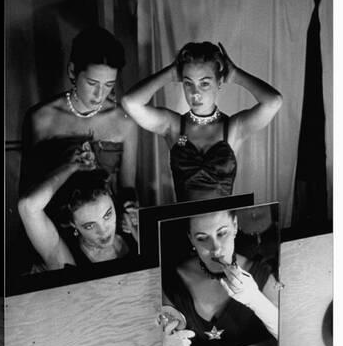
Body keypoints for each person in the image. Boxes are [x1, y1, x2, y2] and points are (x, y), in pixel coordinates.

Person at [122, 42, 282, 201]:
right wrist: (171, 74)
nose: (195, 93)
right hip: (184, 223)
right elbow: (130, 102)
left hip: (222, 225)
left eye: (204, 84)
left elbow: (273, 101)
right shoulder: (174, 126)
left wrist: (235, 75)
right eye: (188, 83)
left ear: (219, 83)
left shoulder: (233, 127)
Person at [20, 26, 139, 216]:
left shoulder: (124, 123)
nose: (100, 95)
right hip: (54, 229)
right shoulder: (40, 118)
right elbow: (27, 192)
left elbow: (128, 188)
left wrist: (131, 208)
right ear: (73, 71)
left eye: (108, 85)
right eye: (92, 83)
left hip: (106, 228)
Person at [162, 210, 279, 346]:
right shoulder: (173, 282)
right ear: (191, 239)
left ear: (235, 226)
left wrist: (256, 300)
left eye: (222, 233)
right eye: (202, 238)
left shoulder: (262, 275)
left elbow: (291, 340)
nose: (216, 249)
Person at [18, 145, 137, 271]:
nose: (103, 231)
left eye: (107, 215)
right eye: (90, 226)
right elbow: (28, 205)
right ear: (73, 223)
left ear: (112, 201)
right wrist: (72, 167)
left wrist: (145, 234)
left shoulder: (132, 229)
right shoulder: (66, 256)